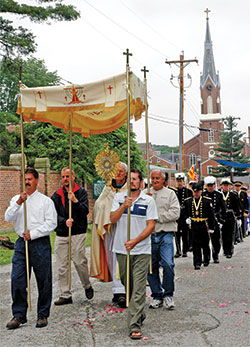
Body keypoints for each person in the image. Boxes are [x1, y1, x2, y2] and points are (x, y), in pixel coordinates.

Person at [5, 168, 57, 329]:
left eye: (30, 179)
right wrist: (19, 203)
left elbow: (51, 223)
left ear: (36, 181)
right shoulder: (16, 200)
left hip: (39, 243)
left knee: (43, 279)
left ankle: (42, 314)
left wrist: (33, 233)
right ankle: (19, 314)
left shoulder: (45, 201)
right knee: (17, 278)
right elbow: (8, 217)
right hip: (21, 244)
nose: (27, 182)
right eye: (25, 179)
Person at [110, 169, 158, 340]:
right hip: (122, 249)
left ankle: (134, 325)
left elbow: (151, 225)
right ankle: (139, 313)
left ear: (140, 182)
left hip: (141, 249)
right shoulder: (118, 198)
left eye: (135, 179)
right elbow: (112, 218)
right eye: (129, 179)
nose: (132, 182)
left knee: (138, 287)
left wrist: (135, 241)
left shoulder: (148, 200)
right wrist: (124, 206)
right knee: (127, 283)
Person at [52, 167, 93, 305]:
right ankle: (65, 294)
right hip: (62, 233)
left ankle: (87, 285)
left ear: (73, 177)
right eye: (63, 176)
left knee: (79, 261)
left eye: (68, 176)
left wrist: (75, 201)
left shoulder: (81, 192)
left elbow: (85, 211)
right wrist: (64, 221)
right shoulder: (56, 195)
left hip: (78, 233)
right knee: (61, 265)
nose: (65, 179)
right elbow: (52, 216)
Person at [90, 162, 127, 307]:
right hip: (109, 229)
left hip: (123, 229)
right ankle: (118, 292)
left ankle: (123, 290)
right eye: (116, 170)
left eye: (121, 171)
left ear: (125, 173)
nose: (118, 173)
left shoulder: (128, 189)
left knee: (121, 259)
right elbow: (99, 206)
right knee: (111, 258)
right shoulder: (107, 187)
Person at [147, 169, 180, 310]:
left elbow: (175, 212)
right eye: (153, 178)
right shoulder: (145, 194)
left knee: (168, 264)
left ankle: (168, 294)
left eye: (157, 178)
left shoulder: (170, 193)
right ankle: (157, 295)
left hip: (165, 233)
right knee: (151, 267)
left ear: (163, 180)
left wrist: (157, 217)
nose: (155, 181)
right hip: (149, 235)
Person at [184, 182, 215, 270]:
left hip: (203, 224)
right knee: (195, 244)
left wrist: (211, 227)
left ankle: (206, 259)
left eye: (197, 192)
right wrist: (187, 218)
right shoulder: (188, 201)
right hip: (194, 224)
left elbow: (211, 215)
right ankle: (197, 262)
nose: (196, 194)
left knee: (205, 243)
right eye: (194, 192)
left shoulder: (206, 201)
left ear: (201, 192)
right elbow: (185, 213)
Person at [203, 176, 226, 263]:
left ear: (214, 185)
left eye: (212, 185)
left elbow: (223, 209)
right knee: (205, 240)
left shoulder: (219, 195)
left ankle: (215, 255)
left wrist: (222, 221)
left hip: (215, 219)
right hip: (205, 220)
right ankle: (206, 257)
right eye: (208, 185)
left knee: (216, 240)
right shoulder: (203, 195)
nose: (210, 187)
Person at [171, 172, 193, 257]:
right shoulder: (173, 191)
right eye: (178, 181)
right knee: (177, 234)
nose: (179, 182)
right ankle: (178, 250)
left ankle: (185, 250)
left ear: (184, 181)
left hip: (185, 214)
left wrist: (189, 216)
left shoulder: (188, 191)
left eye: (181, 180)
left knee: (185, 233)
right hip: (177, 214)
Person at [220, 178, 241, 258]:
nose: (225, 187)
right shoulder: (219, 195)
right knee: (223, 235)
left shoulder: (233, 195)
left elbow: (237, 206)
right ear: (222, 186)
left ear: (229, 186)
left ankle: (229, 251)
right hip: (222, 216)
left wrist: (238, 217)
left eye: (227, 185)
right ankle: (225, 250)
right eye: (224, 185)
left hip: (230, 216)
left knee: (230, 234)